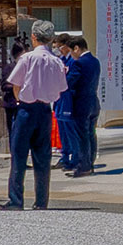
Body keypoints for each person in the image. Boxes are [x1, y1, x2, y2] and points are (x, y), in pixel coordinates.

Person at [0, 20, 67, 211]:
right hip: (45, 109)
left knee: (19, 155)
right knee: (43, 157)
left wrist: (19, 100)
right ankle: (41, 200)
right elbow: (61, 88)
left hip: (27, 109)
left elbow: (16, 83)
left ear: (34, 37)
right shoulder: (56, 61)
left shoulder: (27, 58)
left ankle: (16, 199)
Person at [67, 36, 101, 176]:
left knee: (82, 135)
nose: (71, 55)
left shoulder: (78, 63)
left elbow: (70, 82)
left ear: (77, 48)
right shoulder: (95, 61)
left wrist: (65, 75)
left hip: (81, 102)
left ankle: (83, 166)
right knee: (91, 134)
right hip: (93, 100)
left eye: (71, 51)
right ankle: (90, 163)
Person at [51, 34, 78, 171]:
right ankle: (65, 157)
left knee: (70, 130)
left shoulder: (73, 61)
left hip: (68, 100)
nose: (58, 49)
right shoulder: (60, 60)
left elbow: (70, 81)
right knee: (62, 131)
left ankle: (75, 158)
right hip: (59, 100)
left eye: (59, 46)